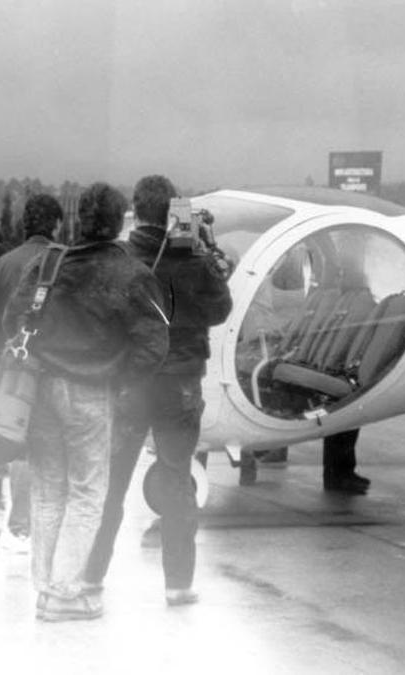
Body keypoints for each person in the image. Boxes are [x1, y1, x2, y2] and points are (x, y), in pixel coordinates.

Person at [3, 183, 168, 621]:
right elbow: (153, 344)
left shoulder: (48, 263)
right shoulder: (131, 273)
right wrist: (122, 380)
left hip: (38, 388)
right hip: (92, 391)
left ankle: (45, 588)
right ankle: (64, 592)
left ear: (77, 220)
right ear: (119, 222)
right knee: (86, 492)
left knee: (48, 489)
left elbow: (10, 319)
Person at [84, 175, 232, 607]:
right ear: (174, 212)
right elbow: (221, 308)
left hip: (130, 381)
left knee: (111, 481)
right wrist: (203, 252)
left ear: (136, 209)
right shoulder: (192, 258)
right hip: (181, 380)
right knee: (176, 477)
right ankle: (178, 583)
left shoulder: (121, 258)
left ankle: (92, 575)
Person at [0, 194, 64, 549]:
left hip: (15, 363)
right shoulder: (63, 260)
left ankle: (19, 521)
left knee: (17, 440)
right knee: (49, 444)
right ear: (57, 225)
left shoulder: (4, 264)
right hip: (53, 363)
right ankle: (46, 519)